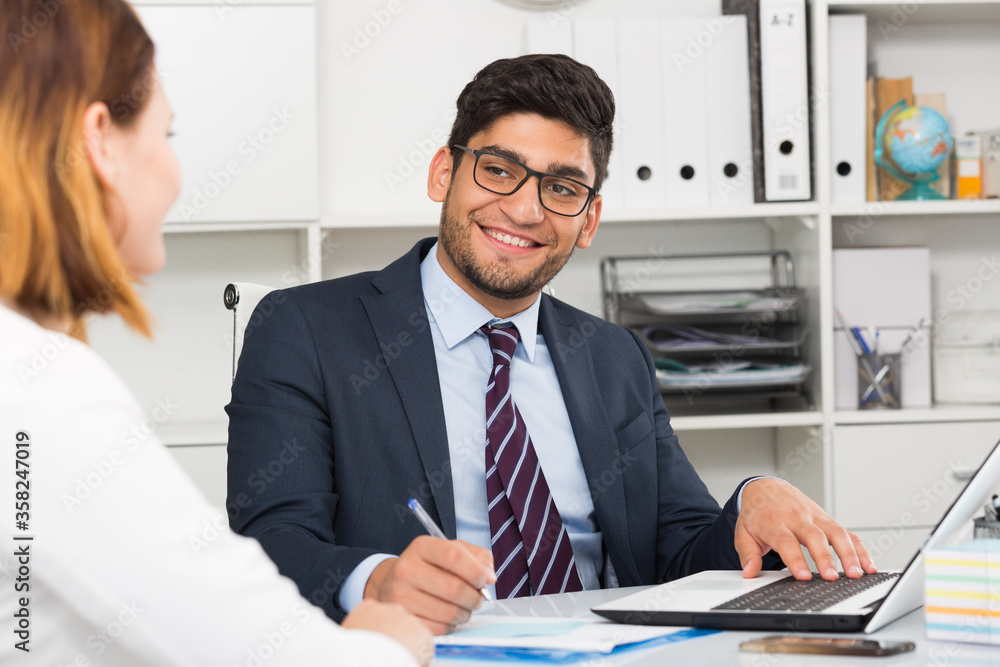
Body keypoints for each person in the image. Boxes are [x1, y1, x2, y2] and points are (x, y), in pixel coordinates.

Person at [226, 54, 877, 635]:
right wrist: (376, 581)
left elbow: (680, 555)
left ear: (589, 219)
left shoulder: (615, 355)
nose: (525, 209)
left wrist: (753, 498)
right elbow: (272, 539)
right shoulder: (305, 328)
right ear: (443, 173)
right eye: (498, 170)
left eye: (562, 187)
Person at [0, 1, 431, 665]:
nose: (176, 173)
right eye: (166, 134)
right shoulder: (40, 390)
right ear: (100, 141)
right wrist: (385, 644)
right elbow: (264, 652)